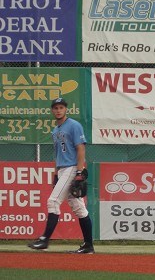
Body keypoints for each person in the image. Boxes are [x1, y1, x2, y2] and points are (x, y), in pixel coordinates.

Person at [28, 97, 94, 254]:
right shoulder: (55, 130)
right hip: (63, 169)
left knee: (53, 201)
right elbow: (57, 154)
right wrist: (56, 173)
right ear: (52, 110)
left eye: (61, 107)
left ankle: (44, 240)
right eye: (56, 108)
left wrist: (79, 171)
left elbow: (80, 149)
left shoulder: (74, 125)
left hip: (72, 168)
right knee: (79, 208)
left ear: (66, 109)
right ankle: (88, 246)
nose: (58, 110)